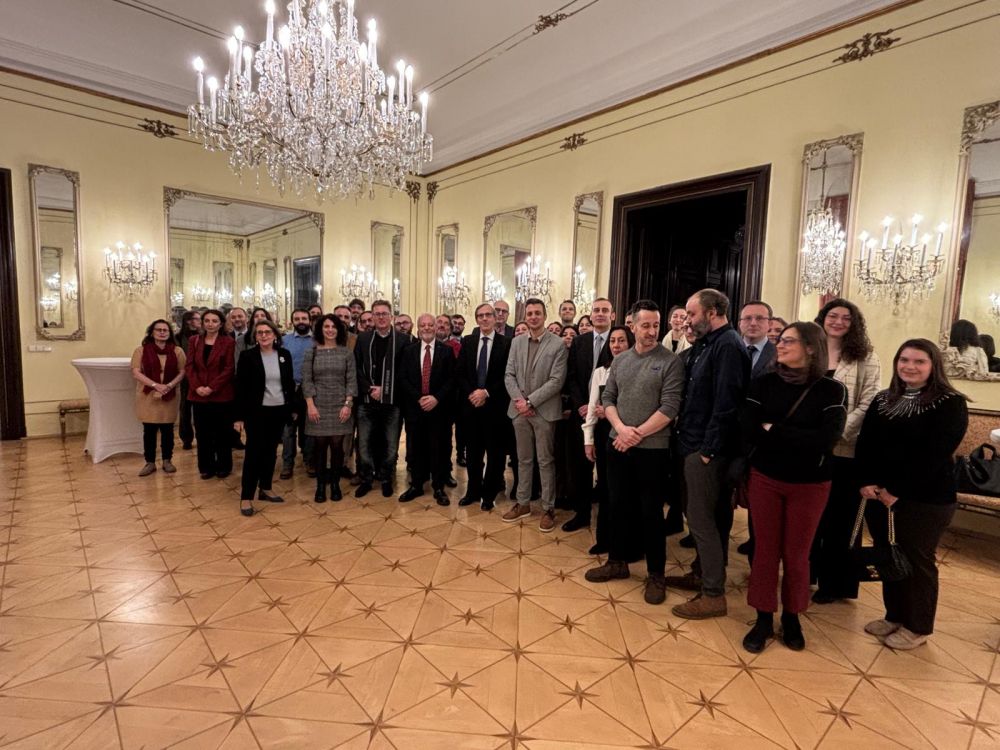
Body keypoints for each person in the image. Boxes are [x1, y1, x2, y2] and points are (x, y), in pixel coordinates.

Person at [739, 322, 847, 653]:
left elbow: (825, 440)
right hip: (766, 477)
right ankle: (762, 617)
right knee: (765, 551)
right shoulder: (763, 383)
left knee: (798, 555)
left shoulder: (831, 390)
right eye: (780, 340)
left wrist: (774, 430)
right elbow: (748, 429)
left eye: (788, 341)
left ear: (811, 348)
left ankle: (792, 617)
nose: (780, 345)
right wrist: (791, 435)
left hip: (810, 483)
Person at [855, 339, 969, 650]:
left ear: (933, 366)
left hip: (925, 498)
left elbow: (934, 455)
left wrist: (897, 490)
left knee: (917, 560)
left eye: (919, 361)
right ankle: (894, 615)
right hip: (879, 495)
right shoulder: (883, 399)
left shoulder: (950, 403)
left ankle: (918, 627)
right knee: (889, 555)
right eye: (904, 360)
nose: (910, 366)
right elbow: (866, 444)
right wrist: (866, 481)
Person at [584, 301, 685, 604]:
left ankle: (656, 574)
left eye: (656, 325)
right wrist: (621, 429)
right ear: (633, 326)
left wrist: (635, 434)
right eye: (645, 325)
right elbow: (609, 398)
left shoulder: (670, 362)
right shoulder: (621, 360)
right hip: (617, 444)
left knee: (650, 512)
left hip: (652, 450)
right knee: (616, 505)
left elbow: (670, 407)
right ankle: (617, 561)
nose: (652, 331)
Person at [669, 289, 749, 620]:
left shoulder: (728, 345)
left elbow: (726, 403)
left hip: (706, 449)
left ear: (712, 312)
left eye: (692, 313)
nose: (687, 320)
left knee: (702, 522)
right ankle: (700, 573)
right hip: (691, 442)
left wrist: (707, 450)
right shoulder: (707, 344)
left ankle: (714, 594)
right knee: (699, 516)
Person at [811, 298, 882, 604]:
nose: (838, 321)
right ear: (822, 318)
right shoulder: (811, 350)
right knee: (813, 518)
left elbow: (869, 402)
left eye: (846, 318)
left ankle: (834, 584)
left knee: (839, 521)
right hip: (810, 449)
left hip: (845, 450)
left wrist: (835, 432)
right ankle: (808, 573)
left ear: (854, 324)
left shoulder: (866, 356)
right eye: (833, 315)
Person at [502, 298, 568, 531]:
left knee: (545, 460)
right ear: (525, 316)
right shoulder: (517, 342)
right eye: (529, 313)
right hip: (519, 411)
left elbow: (556, 380)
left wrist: (530, 401)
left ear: (544, 316)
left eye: (537, 313)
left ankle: (548, 508)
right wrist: (520, 402)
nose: (533, 317)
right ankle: (523, 503)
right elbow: (509, 375)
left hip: (544, 412)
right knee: (523, 459)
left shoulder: (558, 344)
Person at [562, 297, 616, 533]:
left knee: (606, 471)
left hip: (608, 417)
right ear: (591, 314)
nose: (600, 314)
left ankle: (607, 521)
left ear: (612, 315)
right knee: (579, 467)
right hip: (580, 414)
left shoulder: (619, 340)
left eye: (605, 310)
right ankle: (581, 513)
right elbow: (572, 376)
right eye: (596, 310)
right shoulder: (579, 341)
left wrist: (599, 406)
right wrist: (582, 405)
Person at [233, 319, 296, 516]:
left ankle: (265, 488)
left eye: (267, 332)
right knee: (253, 454)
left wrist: (292, 408)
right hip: (256, 413)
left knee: (271, 452)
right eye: (259, 332)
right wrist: (239, 417)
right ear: (255, 336)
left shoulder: (284, 355)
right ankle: (246, 497)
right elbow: (240, 387)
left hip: (279, 411)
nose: (264, 335)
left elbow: (289, 383)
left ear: (275, 334)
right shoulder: (248, 356)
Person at [581, 324, 634, 554]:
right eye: (613, 341)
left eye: (621, 340)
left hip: (632, 435)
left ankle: (628, 544)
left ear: (630, 343)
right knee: (606, 488)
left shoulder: (638, 368)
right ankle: (604, 539)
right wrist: (588, 439)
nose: (616, 345)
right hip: (605, 435)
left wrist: (610, 410)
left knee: (627, 491)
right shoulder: (600, 372)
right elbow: (593, 407)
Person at [457, 303, 511, 511]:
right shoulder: (468, 341)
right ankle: (472, 491)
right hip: (471, 407)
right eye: (481, 315)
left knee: (496, 454)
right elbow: (461, 372)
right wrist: (473, 393)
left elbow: (507, 375)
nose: (485, 318)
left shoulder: (506, 343)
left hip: (495, 408)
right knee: (473, 453)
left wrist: (486, 392)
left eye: (489, 315)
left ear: (495, 318)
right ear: (477, 319)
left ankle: (488, 494)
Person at [398, 314, 456, 505]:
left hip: (439, 409)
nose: (427, 328)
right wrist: (419, 397)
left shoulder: (446, 351)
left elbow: (451, 379)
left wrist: (436, 398)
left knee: (438, 448)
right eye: (423, 325)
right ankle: (416, 485)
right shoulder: (409, 351)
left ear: (436, 327)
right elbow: (403, 378)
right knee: (415, 448)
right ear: (418, 328)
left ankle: (438, 487)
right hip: (415, 409)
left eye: (431, 324)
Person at [354, 299, 409, 498]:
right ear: (372, 317)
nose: (381, 317)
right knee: (364, 444)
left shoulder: (403, 340)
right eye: (377, 314)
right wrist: (370, 389)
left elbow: (405, 371)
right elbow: (356, 368)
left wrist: (385, 390)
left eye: (384, 313)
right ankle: (366, 479)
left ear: (391, 316)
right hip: (367, 400)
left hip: (392, 402)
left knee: (391, 444)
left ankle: (386, 479)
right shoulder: (363, 339)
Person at [302, 314, 356, 503]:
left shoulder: (346, 353)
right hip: (317, 406)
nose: (330, 330)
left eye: (334, 327)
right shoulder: (311, 352)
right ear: (320, 329)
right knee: (320, 447)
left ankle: (335, 484)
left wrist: (348, 404)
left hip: (340, 406)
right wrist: (310, 406)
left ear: (339, 330)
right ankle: (320, 486)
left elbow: (351, 380)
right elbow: (307, 380)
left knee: (337, 447)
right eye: (326, 326)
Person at [185, 309, 235, 480]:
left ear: (221, 324)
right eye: (207, 320)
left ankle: (223, 466)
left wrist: (211, 387)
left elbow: (229, 368)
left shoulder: (228, 342)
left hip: (221, 395)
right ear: (202, 323)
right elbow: (189, 366)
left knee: (222, 433)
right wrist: (197, 386)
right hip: (198, 395)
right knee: (202, 433)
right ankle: (206, 467)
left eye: (214, 321)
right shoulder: (194, 340)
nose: (210, 324)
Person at [132, 320, 187, 477]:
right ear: (152, 332)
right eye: (158, 330)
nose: (162, 332)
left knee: (167, 429)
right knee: (149, 430)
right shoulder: (141, 351)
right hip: (147, 395)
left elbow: (183, 371)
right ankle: (149, 462)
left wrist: (168, 385)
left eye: (165, 330)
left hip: (170, 394)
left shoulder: (177, 351)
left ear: (170, 333)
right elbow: (136, 372)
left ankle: (167, 460)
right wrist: (156, 385)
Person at [280, 309, 316, 480]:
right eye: (297, 319)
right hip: (290, 390)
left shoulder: (318, 340)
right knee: (288, 430)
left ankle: (309, 461)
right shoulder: (284, 340)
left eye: (304, 318)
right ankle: (287, 463)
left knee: (309, 429)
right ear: (292, 321)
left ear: (310, 320)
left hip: (311, 391)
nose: (301, 321)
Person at [176, 310, 201, 450]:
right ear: (188, 321)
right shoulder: (178, 338)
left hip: (201, 377)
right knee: (185, 409)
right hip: (185, 377)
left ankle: (201, 436)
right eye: (196, 319)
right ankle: (186, 438)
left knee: (200, 409)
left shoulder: (202, 336)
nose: (199, 321)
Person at [740, 300, 777, 379]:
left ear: (770, 324)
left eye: (759, 318)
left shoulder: (778, 353)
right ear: (739, 323)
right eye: (748, 318)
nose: (753, 323)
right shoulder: (728, 349)